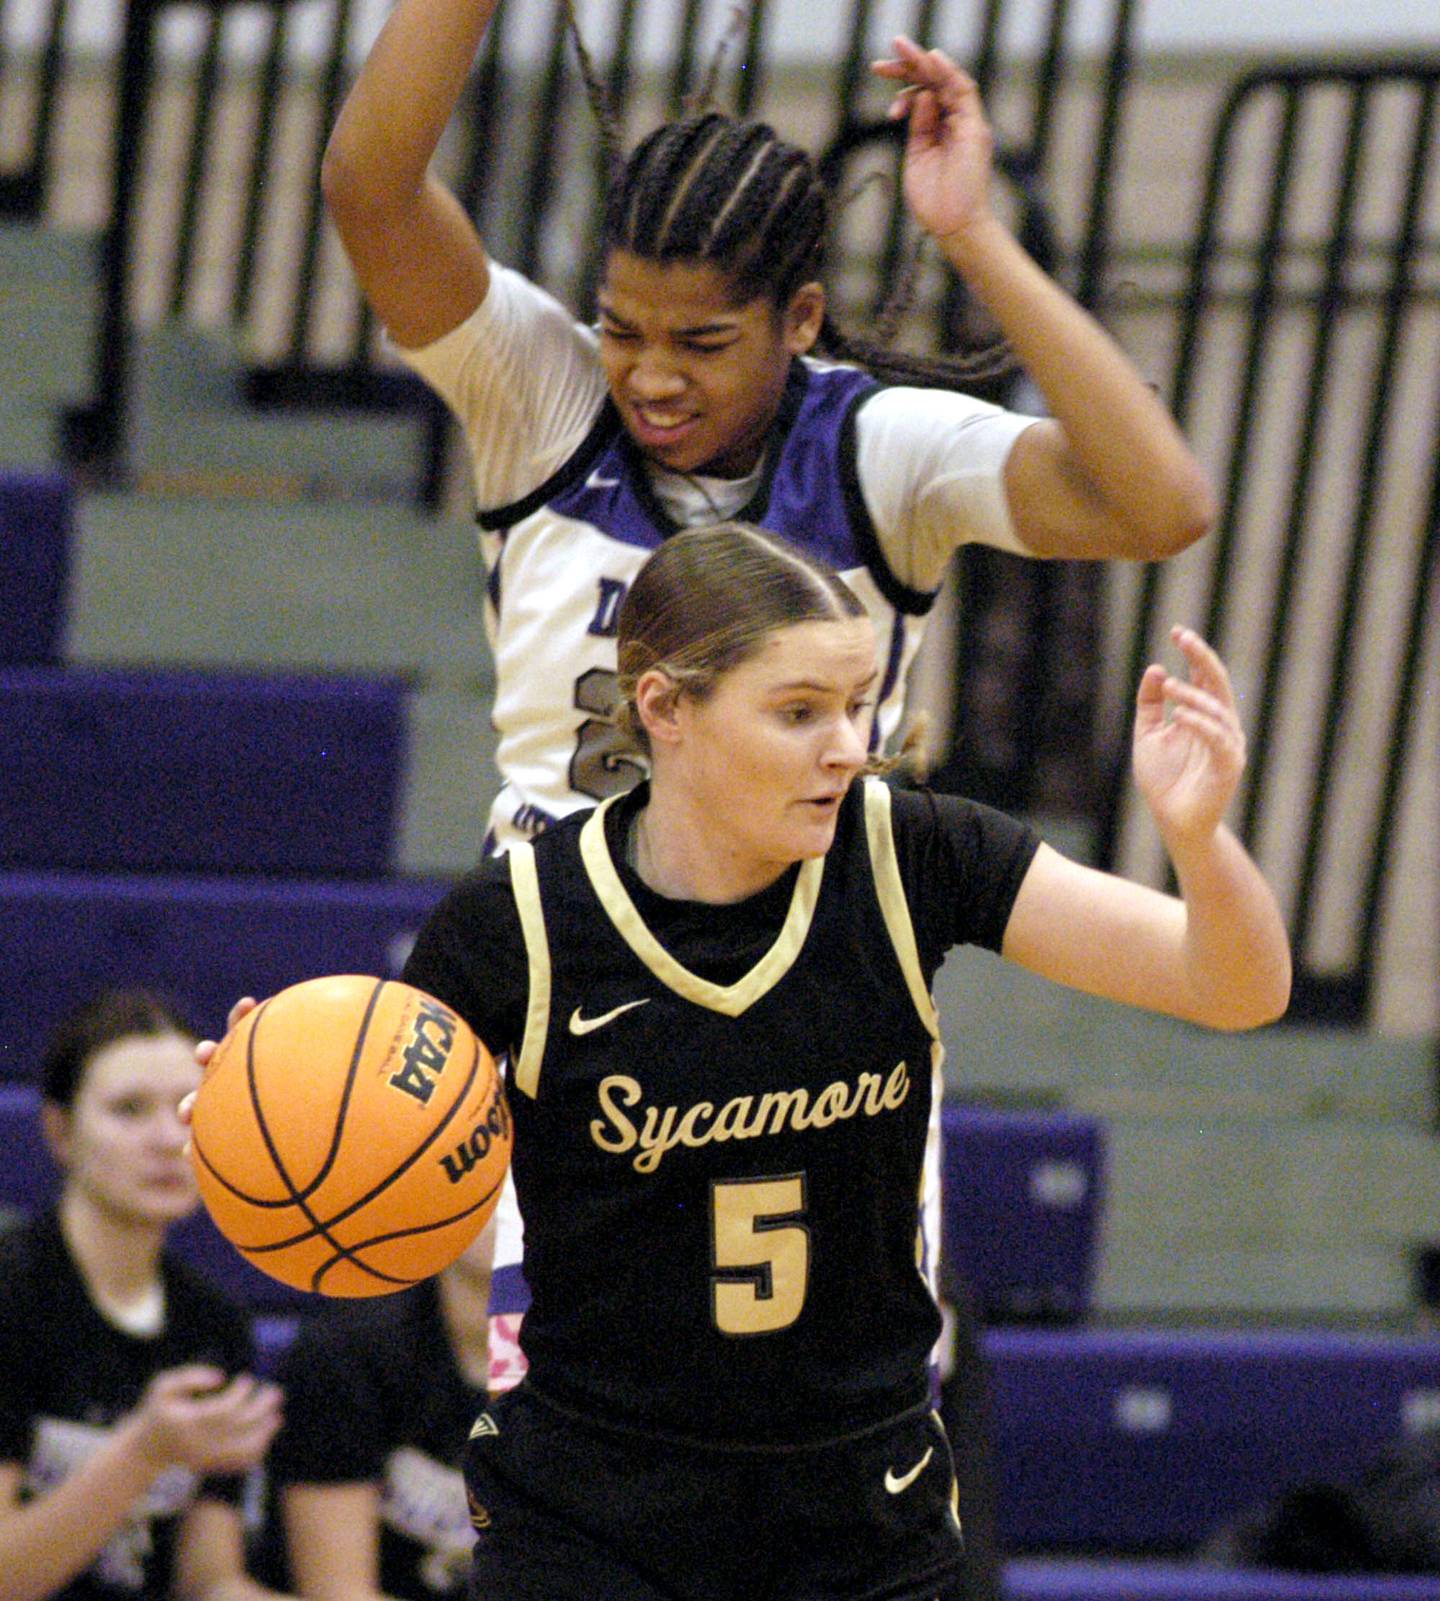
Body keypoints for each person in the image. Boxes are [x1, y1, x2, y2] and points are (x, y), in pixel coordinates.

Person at [322, 7, 1216, 1590]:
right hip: (569, 992)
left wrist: (978, 239)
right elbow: (372, 189)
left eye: (703, 342)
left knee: (831, 1463)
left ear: (802, 317)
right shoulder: (541, 394)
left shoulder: (883, 448)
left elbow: (1161, 502)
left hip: (819, 998)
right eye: (623, 328)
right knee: (591, 1473)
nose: (650, 377)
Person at [387, 523, 1291, 1600]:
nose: (848, 743)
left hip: (860, 1499)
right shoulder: (519, 921)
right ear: (666, 710)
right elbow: (367, 1147)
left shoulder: (915, 853)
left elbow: (1236, 987)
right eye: (800, 710)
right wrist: (266, 1101)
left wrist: (1200, 838)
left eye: (858, 702)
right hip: (592, 1509)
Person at [0, 989, 292, 1601]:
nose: (166, 1139)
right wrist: (143, 1450)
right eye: (129, 1110)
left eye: (187, 1109)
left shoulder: (213, 1323)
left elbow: (208, 1579)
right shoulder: (13, 1293)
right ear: (59, 1131)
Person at [258, 1218, 495, 1601]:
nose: (509, 1210)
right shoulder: (345, 1350)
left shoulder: (603, 1361)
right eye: (496, 1187)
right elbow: (335, 1591)